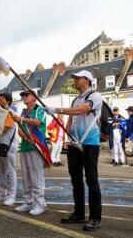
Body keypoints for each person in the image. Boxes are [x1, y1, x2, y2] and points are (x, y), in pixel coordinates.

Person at [43, 70, 102, 231]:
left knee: (91, 180)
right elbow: (71, 119)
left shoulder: (95, 96)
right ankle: (79, 213)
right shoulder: (75, 99)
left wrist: (56, 110)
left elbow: (82, 110)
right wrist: (67, 139)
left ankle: (96, 218)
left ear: (87, 80)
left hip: (90, 143)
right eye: (74, 78)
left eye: (78, 78)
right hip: (75, 144)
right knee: (76, 180)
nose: (74, 80)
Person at [11, 90, 46, 216]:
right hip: (25, 146)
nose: (24, 97)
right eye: (23, 95)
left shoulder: (39, 109)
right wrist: (23, 136)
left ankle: (39, 204)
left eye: (26, 95)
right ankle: (28, 202)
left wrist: (21, 119)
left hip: (36, 146)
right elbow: (19, 127)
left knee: (36, 176)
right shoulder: (24, 112)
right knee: (26, 176)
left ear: (34, 97)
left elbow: (37, 122)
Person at [0, 93, 18, 206]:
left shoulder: (9, 113)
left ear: (8, 101)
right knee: (1, 171)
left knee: (10, 171)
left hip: (8, 147)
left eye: (0, 99)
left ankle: (11, 196)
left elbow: (4, 128)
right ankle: (2, 194)